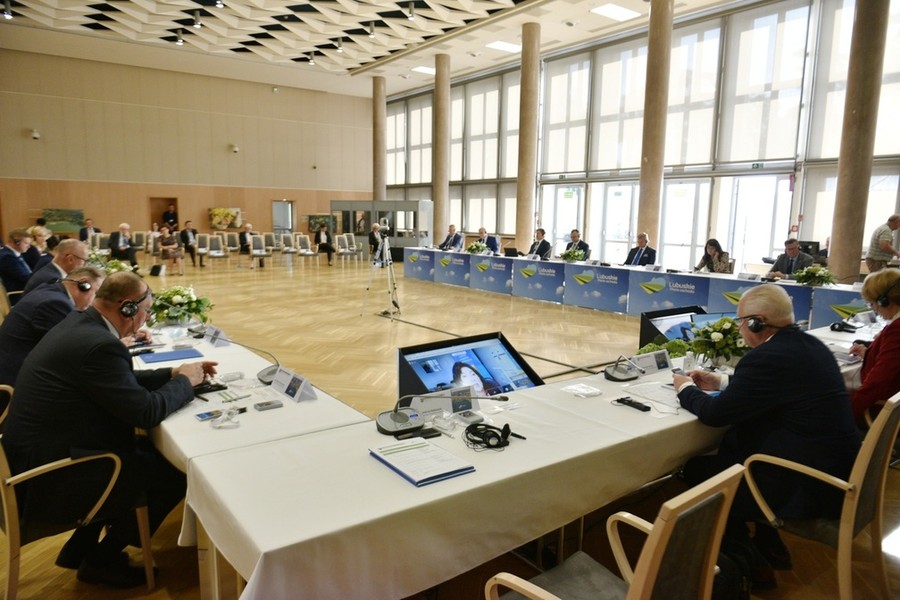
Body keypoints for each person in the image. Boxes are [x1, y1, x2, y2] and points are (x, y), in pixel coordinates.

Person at [1, 272, 217, 589]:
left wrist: (172, 373)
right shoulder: (100, 344)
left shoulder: (80, 324)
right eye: (146, 311)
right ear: (128, 307)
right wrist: (185, 382)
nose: (147, 319)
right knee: (174, 472)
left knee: (147, 453)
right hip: (49, 481)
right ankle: (101, 560)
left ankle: (80, 547)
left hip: (33, 459)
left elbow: (115, 383)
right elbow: (146, 412)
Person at [672, 284, 860, 584]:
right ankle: (769, 546)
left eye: (740, 321)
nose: (739, 327)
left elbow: (714, 415)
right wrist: (719, 381)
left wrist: (685, 388)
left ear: (756, 323)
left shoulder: (767, 357)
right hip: (833, 473)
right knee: (727, 459)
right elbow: (775, 387)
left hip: (805, 487)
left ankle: (747, 560)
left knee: (699, 469)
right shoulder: (810, 345)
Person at [0, 266, 104, 393]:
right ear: (84, 284)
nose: (94, 301)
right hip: (13, 384)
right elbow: (72, 350)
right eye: (96, 293)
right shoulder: (55, 304)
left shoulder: (51, 291)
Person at [847, 269, 900, 423]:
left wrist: (846, 414)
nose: (874, 309)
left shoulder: (896, 329)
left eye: (872, 303)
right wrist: (869, 353)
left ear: (884, 301)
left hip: (880, 413)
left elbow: (878, 382)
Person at [23, 239, 90, 294]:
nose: (85, 265)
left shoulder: (51, 271)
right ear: (70, 259)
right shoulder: (53, 280)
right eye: (84, 260)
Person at [0, 228, 34, 305]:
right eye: (26, 243)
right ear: (16, 242)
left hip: (24, 291)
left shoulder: (13, 254)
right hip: (17, 295)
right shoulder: (7, 257)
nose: (29, 246)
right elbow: (24, 278)